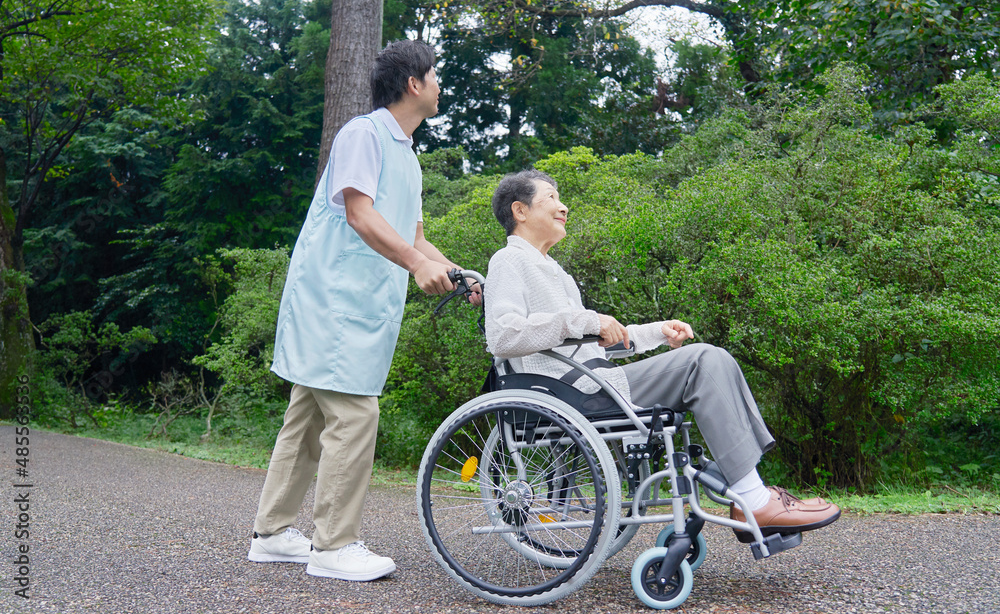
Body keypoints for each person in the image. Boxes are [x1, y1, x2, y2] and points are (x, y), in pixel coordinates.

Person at [484, 169, 840, 538]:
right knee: (705, 361)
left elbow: (594, 340)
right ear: (520, 211)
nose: (564, 207)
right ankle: (753, 499)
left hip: (594, 381)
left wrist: (657, 331)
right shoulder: (509, 261)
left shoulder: (553, 271)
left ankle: (754, 492)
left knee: (716, 359)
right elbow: (503, 335)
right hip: (572, 392)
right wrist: (579, 321)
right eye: (551, 199)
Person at [248, 40, 475, 582]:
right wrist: (417, 266)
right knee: (354, 414)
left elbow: (414, 236)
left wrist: (461, 274)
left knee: (305, 419)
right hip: (332, 299)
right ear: (414, 84)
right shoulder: (363, 134)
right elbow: (359, 214)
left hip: (362, 305)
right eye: (435, 74)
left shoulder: (407, 155)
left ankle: (273, 533)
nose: (440, 83)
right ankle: (333, 546)